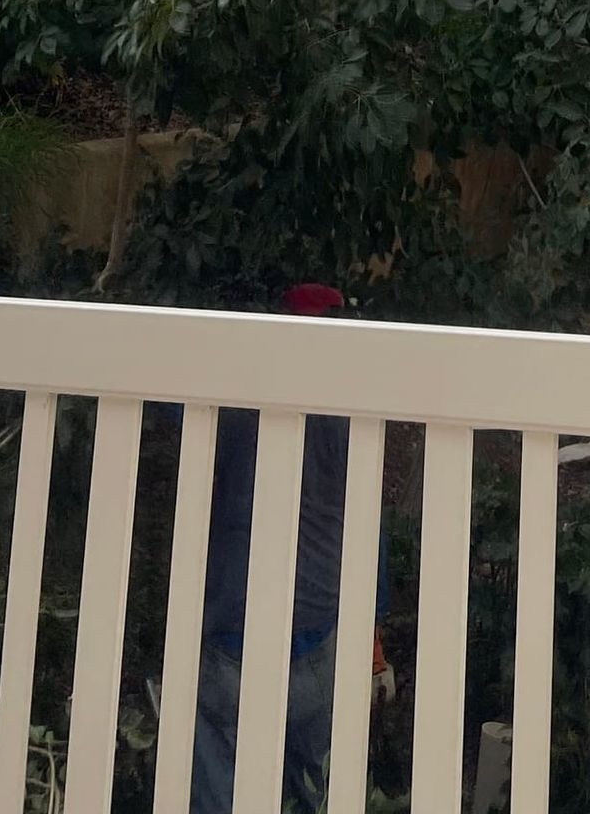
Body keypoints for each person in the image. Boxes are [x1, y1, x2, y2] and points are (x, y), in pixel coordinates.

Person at [191, 281, 386, 812]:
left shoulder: (237, 406)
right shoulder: (353, 418)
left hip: (234, 639)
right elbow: (370, 530)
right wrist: (372, 645)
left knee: (220, 786)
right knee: (312, 788)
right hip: (318, 639)